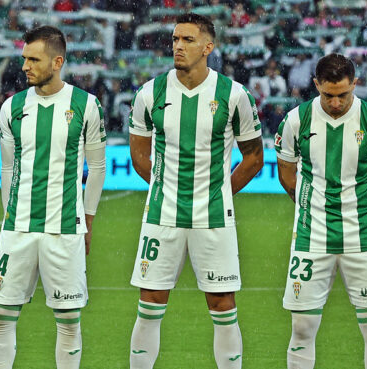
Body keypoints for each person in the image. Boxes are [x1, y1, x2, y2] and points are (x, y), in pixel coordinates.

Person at [127, 13, 263, 369]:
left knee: (222, 304)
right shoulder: (150, 93)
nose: (178, 46)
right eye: (174, 39)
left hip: (213, 217)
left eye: (187, 40)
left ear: (208, 46)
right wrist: (163, 186)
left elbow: (253, 157)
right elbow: (139, 153)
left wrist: (220, 191)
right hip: (162, 215)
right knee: (150, 302)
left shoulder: (234, 95)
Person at [0, 25, 106, 369]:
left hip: (65, 228)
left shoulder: (86, 105)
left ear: (57, 61)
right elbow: (7, 169)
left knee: (68, 321)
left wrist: (88, 219)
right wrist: (10, 215)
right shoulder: (12, 107)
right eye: (24, 58)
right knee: (2, 315)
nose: (25, 66)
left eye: (33, 59)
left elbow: (96, 168)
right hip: (18, 228)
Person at [275, 53, 367, 369]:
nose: (335, 102)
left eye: (343, 94)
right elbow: (288, 176)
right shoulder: (295, 120)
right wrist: (312, 208)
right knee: (302, 328)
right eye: (327, 95)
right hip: (310, 236)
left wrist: (356, 207)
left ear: (355, 84)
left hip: (364, 235)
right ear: (316, 85)